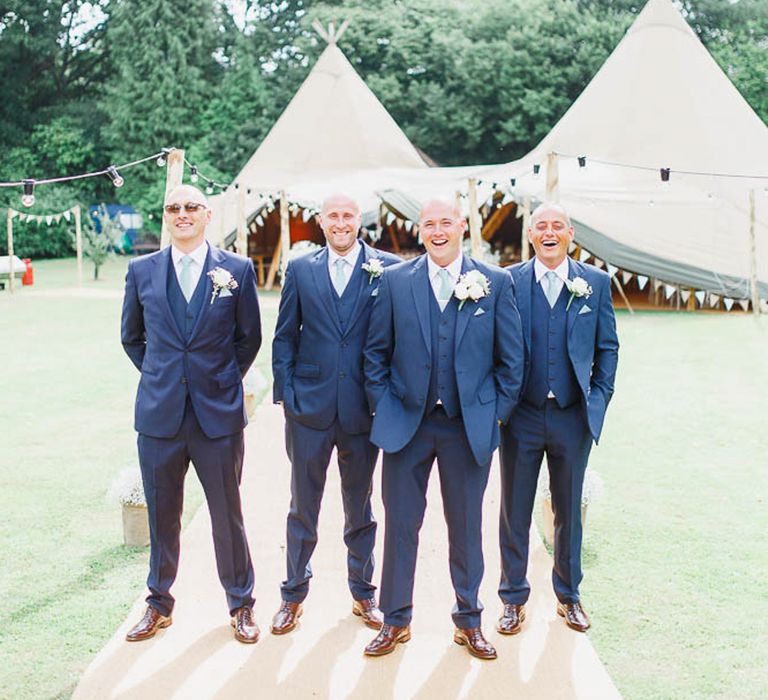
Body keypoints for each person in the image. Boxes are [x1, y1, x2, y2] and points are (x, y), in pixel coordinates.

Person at [362, 199, 524, 659]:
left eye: (445, 222)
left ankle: (469, 620)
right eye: (429, 223)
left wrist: (494, 413)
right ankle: (395, 620)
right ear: (420, 230)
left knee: (467, 527)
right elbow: (375, 354)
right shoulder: (395, 281)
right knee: (400, 526)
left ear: (461, 227)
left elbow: (512, 360)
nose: (438, 230)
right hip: (405, 427)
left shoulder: (494, 281)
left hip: (466, 427)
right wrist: (384, 405)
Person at [121, 184, 262, 644]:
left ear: (207, 215)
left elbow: (249, 339)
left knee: (228, 513)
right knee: (163, 514)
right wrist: (166, 376)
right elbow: (132, 337)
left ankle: (241, 604)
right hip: (160, 418)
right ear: (166, 216)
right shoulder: (141, 270)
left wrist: (218, 380)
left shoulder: (236, 270)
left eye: (191, 207)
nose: (182, 214)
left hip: (217, 417)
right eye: (173, 208)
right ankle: (159, 603)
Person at [270, 194, 400, 635]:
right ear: (321, 222)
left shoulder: (389, 267)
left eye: (348, 215)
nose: (341, 223)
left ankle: (364, 593)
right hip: (309, 408)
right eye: (333, 216)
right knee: (302, 506)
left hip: (364, 410)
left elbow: (398, 338)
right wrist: (288, 395)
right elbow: (284, 337)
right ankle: (292, 594)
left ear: (357, 220)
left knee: (360, 507)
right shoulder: (302, 269)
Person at [497, 202, 619, 636]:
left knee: (569, 508)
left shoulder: (596, 283)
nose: (549, 232)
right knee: (514, 509)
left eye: (557, 226)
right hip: (521, 416)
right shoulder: (507, 281)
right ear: (531, 235)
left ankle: (569, 596)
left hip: (572, 417)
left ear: (570, 234)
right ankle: (512, 598)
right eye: (541, 226)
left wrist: (598, 400)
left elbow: (608, 348)